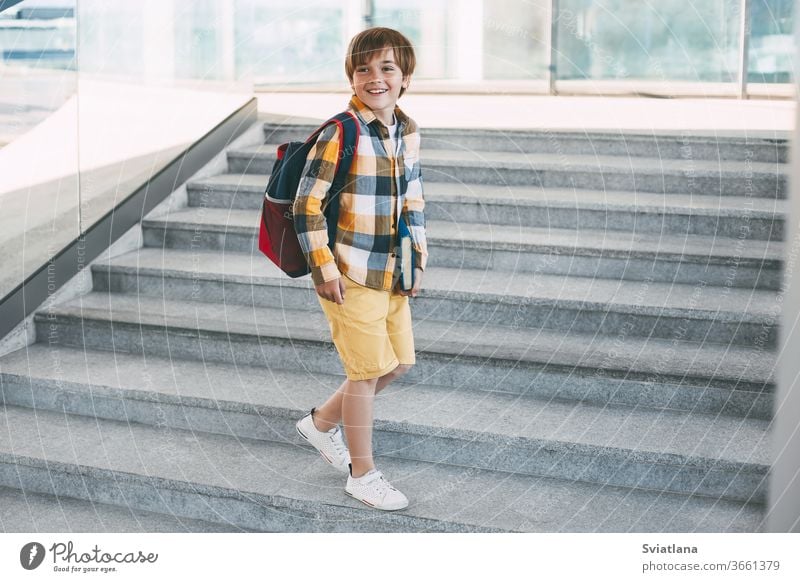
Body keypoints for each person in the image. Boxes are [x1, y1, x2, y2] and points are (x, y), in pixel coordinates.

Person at [292, 26, 427, 511]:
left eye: (387, 68)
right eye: (364, 68)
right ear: (351, 76)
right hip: (349, 273)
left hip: (391, 271)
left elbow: (413, 199)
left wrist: (415, 263)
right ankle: (362, 472)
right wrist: (324, 269)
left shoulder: (406, 131)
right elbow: (306, 205)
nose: (375, 77)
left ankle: (321, 423)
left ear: (405, 77)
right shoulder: (341, 131)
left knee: (397, 363)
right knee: (367, 373)